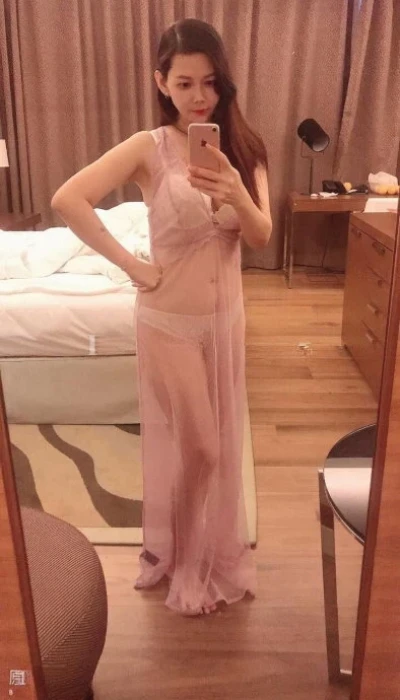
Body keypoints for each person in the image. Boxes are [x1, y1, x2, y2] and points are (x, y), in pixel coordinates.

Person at [51, 18, 272, 617]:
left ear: (224, 82)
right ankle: (181, 559)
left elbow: (259, 236)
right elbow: (68, 199)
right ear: (161, 83)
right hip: (169, 322)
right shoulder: (148, 148)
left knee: (212, 451)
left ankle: (189, 548)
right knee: (202, 449)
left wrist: (236, 190)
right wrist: (131, 265)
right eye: (184, 83)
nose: (199, 97)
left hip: (225, 324)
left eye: (210, 82)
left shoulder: (246, 150)